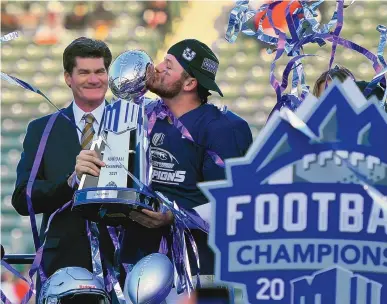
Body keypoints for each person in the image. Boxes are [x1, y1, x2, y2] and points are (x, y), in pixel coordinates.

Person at [75, 39, 253, 302]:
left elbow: (237, 202)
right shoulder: (138, 115)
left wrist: (175, 216)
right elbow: (113, 180)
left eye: (168, 66)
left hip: (195, 269)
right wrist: (86, 173)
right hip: (138, 263)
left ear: (190, 83)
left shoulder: (224, 127)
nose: (156, 68)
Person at [11, 37, 115, 300]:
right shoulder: (42, 129)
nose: (94, 79)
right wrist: (70, 181)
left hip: (123, 263)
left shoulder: (132, 120)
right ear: (68, 78)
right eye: (84, 72)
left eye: (99, 71)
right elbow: (23, 198)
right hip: (62, 267)